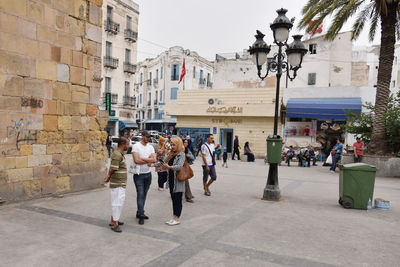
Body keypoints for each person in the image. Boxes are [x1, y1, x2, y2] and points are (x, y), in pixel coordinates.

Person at [154, 137, 186, 225]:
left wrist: (169, 167)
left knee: (177, 200)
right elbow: (162, 162)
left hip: (178, 181)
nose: (172, 147)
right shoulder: (171, 154)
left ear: (178, 144)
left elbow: (179, 166)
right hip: (171, 180)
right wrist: (153, 164)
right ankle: (174, 217)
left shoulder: (181, 154)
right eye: (171, 145)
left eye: (174, 145)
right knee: (173, 199)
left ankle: (177, 218)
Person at [104, 137, 129, 233]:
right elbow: (113, 168)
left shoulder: (119, 154)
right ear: (123, 144)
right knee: (117, 203)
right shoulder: (117, 154)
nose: (128, 146)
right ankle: (115, 224)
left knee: (117, 202)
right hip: (117, 183)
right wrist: (108, 176)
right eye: (127, 144)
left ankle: (113, 220)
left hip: (120, 183)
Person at [132, 131, 157, 225]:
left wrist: (143, 158)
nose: (148, 138)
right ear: (142, 136)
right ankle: (141, 214)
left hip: (148, 174)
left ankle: (139, 211)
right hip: (139, 175)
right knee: (140, 194)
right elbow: (136, 160)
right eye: (146, 136)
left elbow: (154, 160)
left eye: (149, 137)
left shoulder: (150, 147)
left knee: (144, 194)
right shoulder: (136, 146)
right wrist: (148, 160)